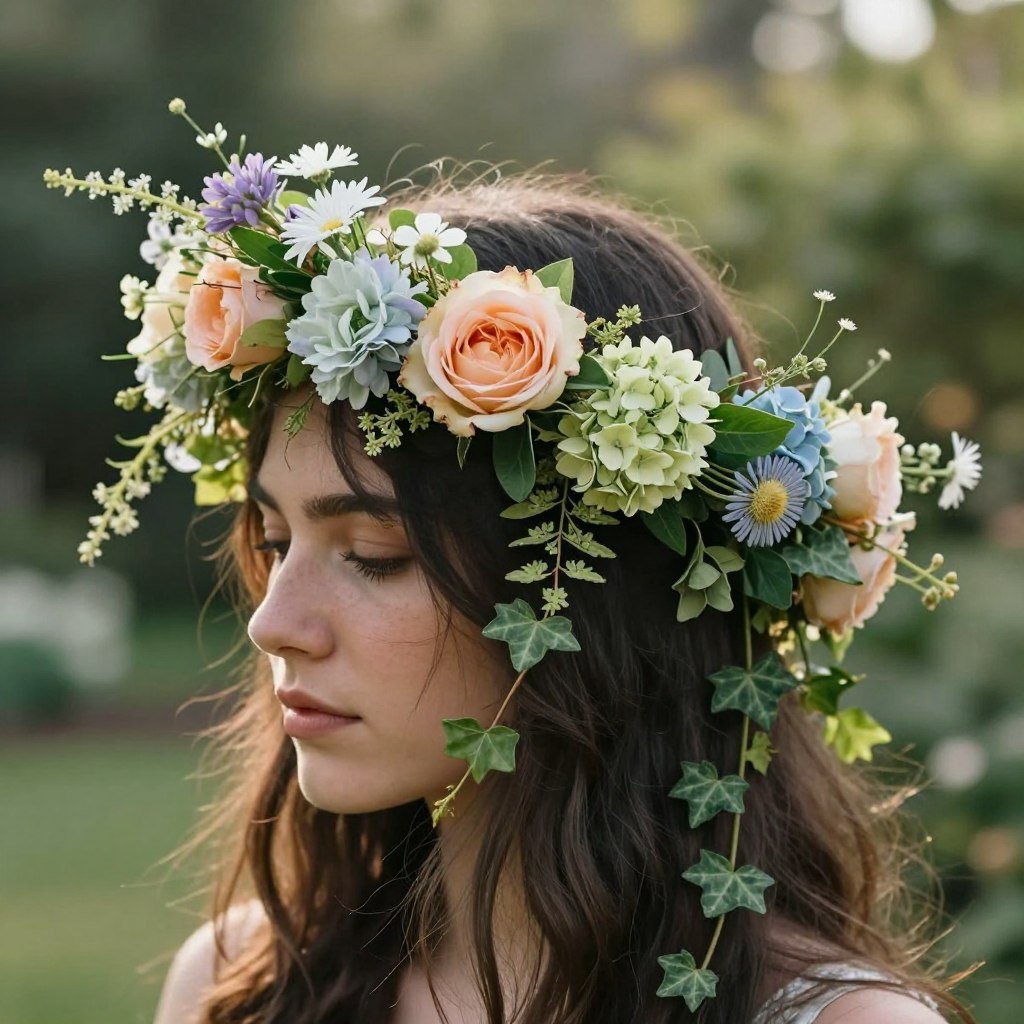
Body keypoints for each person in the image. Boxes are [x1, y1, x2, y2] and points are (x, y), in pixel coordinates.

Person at [140, 174, 974, 1024]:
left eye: (374, 554)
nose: (273, 622)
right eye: (275, 545)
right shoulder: (238, 987)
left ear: (587, 594)